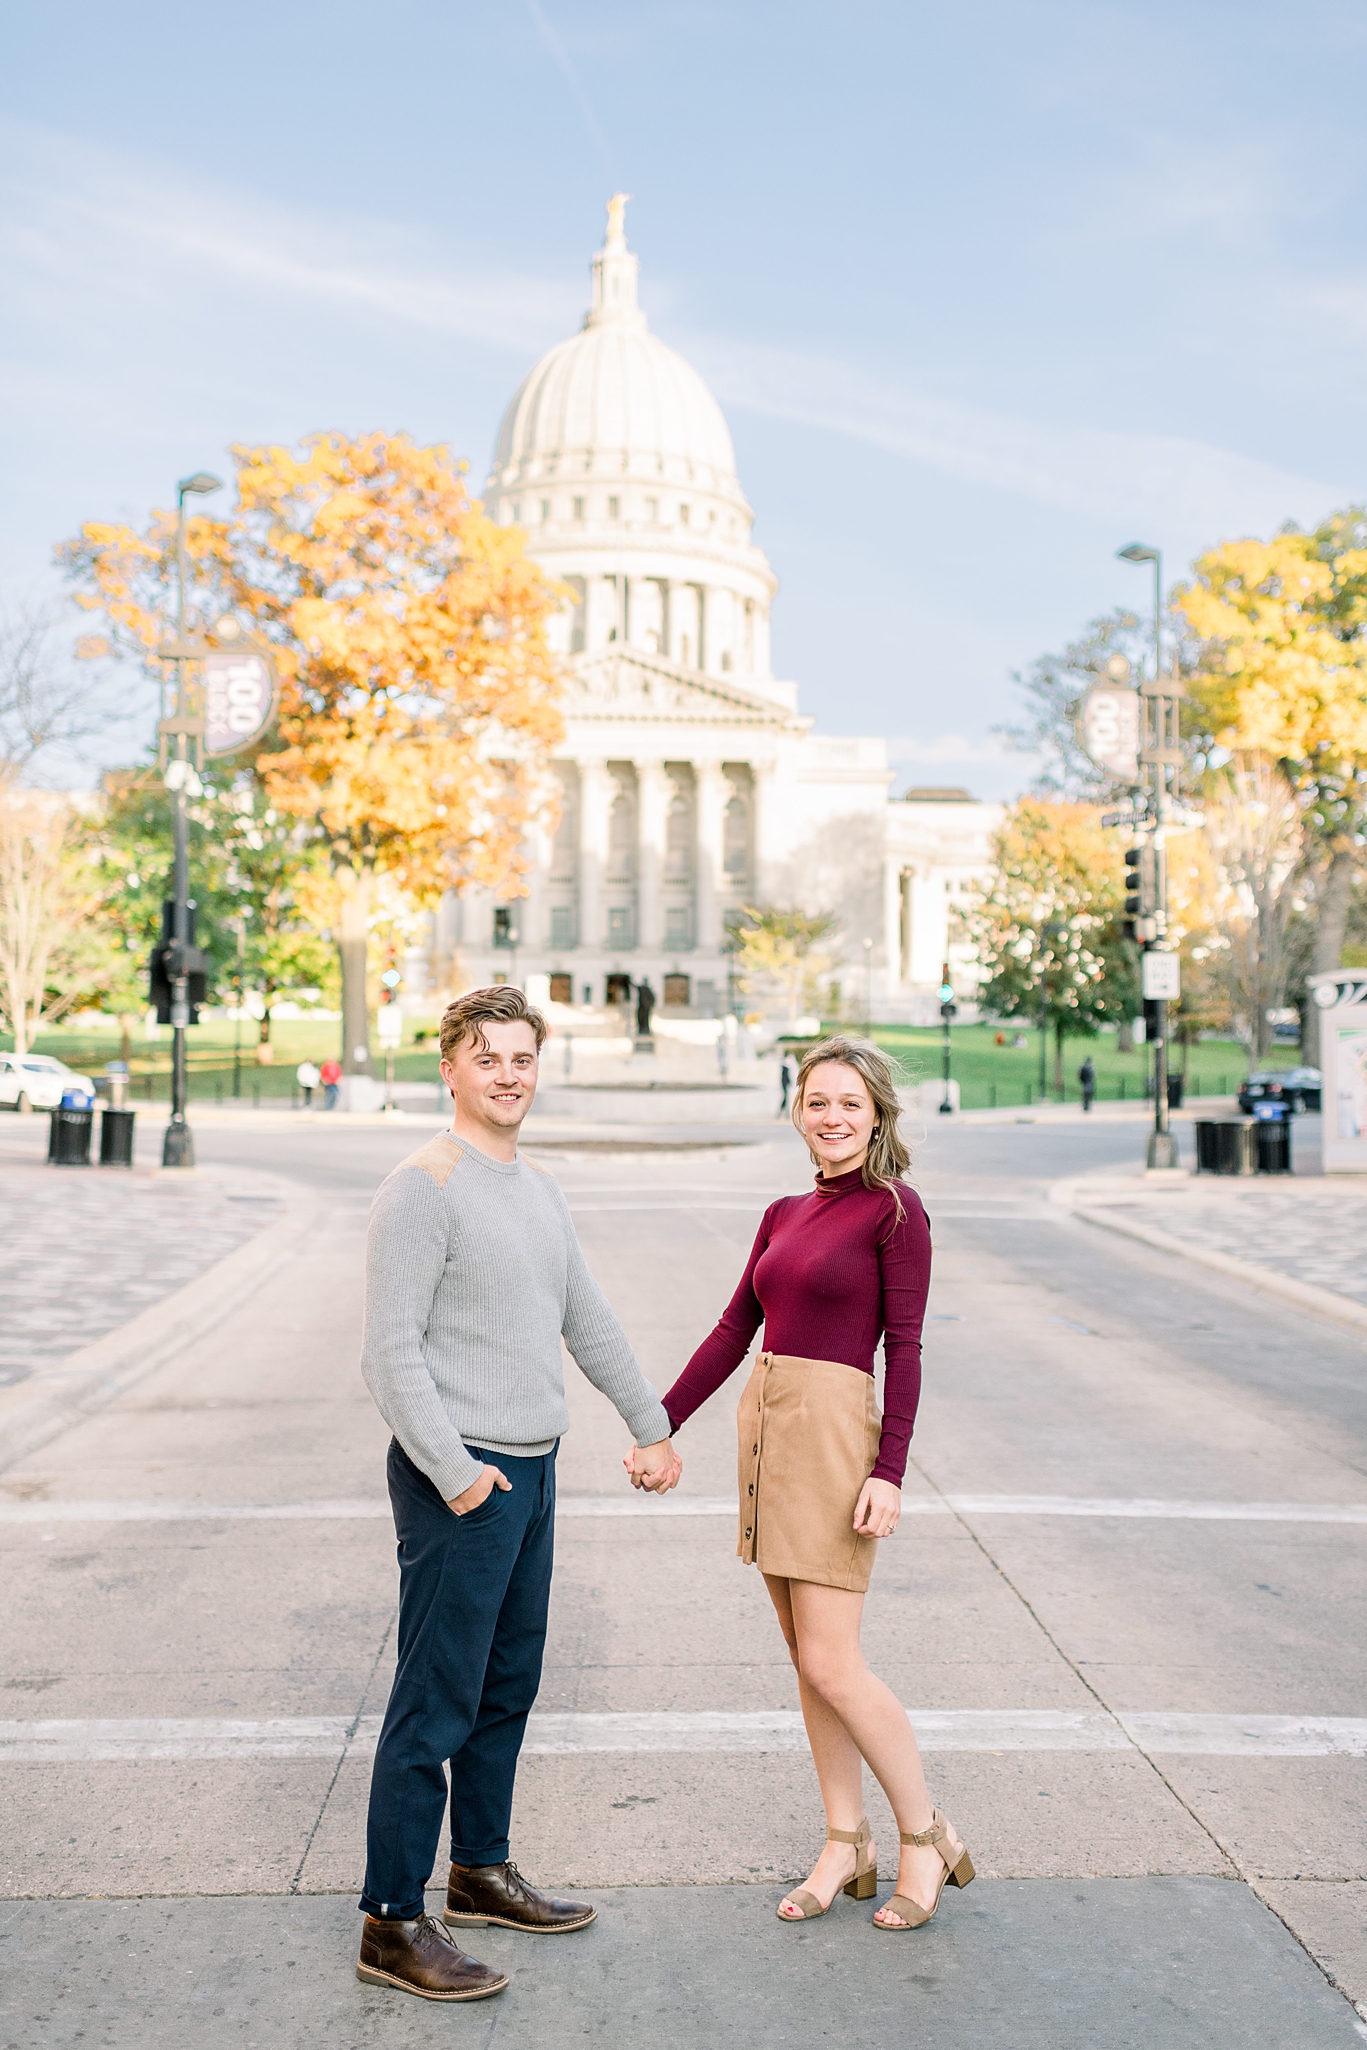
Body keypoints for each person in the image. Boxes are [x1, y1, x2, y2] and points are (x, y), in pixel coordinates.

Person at [356, 985, 681, 2003]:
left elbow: (584, 1315)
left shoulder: (535, 1188)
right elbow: (388, 1352)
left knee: (506, 1685)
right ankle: (392, 1921)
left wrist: (650, 1422)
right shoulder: (423, 1185)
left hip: (532, 1470)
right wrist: (455, 1476)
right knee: (434, 1699)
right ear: (448, 1068)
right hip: (464, 1478)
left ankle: (479, 1871)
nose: (507, 1074)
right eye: (486, 1056)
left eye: (522, 1057)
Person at [631, 1035, 974, 1933]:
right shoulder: (782, 1211)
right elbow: (730, 1329)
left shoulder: (894, 1212)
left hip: (831, 1435)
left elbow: (904, 1349)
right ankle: (841, 1839)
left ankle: (922, 1834)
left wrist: (888, 1472)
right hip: (768, 1427)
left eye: (849, 1105)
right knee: (805, 1661)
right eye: (817, 1102)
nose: (832, 1118)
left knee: (834, 1660)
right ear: (798, 1110)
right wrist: (656, 1423)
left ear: (876, 1116)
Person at [777, 1047, 797, 1117]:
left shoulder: (784, 1065)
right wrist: (790, 1082)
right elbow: (786, 1076)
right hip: (785, 1084)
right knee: (785, 1098)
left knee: (786, 1098)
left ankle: (784, 1113)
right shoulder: (785, 1065)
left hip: (785, 1084)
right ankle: (783, 1113)